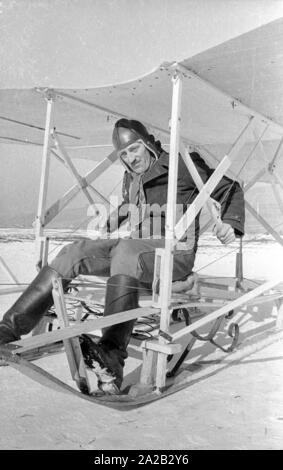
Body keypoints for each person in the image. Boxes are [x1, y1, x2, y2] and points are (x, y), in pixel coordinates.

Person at [0, 118, 245, 394]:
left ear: (148, 144)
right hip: (137, 249)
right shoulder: (132, 176)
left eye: (134, 150)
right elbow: (132, 205)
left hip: (174, 254)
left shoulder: (182, 166)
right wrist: (112, 220)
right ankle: (7, 331)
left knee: (127, 250)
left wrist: (229, 224)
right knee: (73, 252)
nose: (130, 158)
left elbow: (230, 188)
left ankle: (112, 354)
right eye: (124, 154)